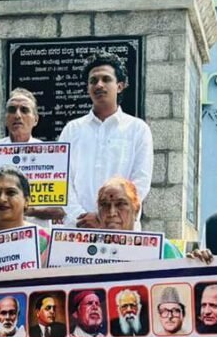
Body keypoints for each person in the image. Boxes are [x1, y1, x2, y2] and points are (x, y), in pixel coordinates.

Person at [61, 51, 152, 228]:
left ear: (120, 85)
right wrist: (79, 216)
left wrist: (106, 218)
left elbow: (140, 183)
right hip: (78, 227)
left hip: (122, 229)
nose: (99, 85)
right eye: (93, 81)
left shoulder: (137, 129)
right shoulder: (72, 130)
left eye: (106, 79)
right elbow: (62, 181)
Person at [0, 88, 65, 229]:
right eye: (12, 110)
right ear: (6, 118)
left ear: (35, 119)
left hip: (35, 239)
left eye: (24, 110)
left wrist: (30, 211)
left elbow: (60, 212)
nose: (17, 115)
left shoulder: (51, 155)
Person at [75, 177, 184, 258]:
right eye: (105, 205)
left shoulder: (162, 250)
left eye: (120, 204)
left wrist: (198, 263)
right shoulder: (83, 254)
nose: (112, 212)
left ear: (136, 210)